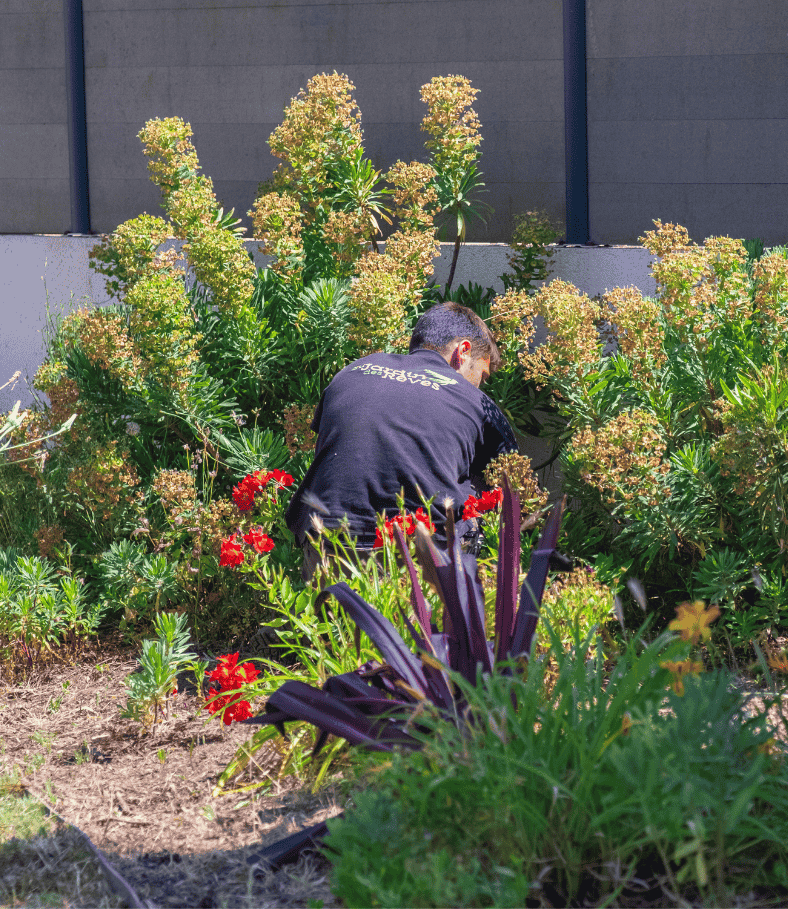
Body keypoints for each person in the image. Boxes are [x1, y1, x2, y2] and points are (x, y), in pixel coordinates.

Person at [285, 302, 518, 576]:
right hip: (411, 559)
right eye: (482, 374)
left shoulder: (354, 371)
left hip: (326, 545)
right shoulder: (475, 402)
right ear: (462, 352)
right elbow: (511, 487)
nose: (479, 385)